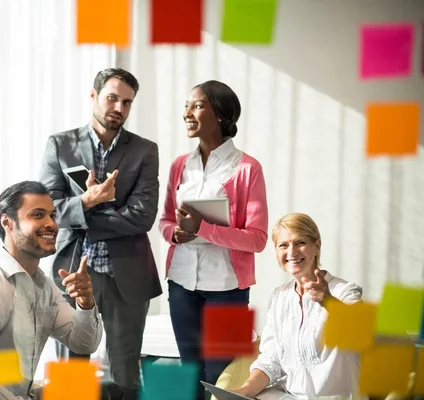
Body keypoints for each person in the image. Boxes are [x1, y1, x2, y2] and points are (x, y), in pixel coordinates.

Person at [39, 68, 162, 399]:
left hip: (128, 275)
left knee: (125, 373)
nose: (119, 108)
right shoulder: (60, 145)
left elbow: (143, 218)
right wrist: (89, 200)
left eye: (127, 102)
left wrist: (81, 212)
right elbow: (50, 214)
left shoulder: (144, 150)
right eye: (112, 98)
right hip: (74, 273)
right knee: (71, 375)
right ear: (93, 96)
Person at [0, 181, 121, 399]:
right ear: (7, 223)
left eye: (53, 216)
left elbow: (84, 343)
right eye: (38, 215)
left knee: (106, 390)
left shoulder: (43, 286)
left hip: (23, 394)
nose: (52, 224)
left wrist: (85, 302)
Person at [158, 80, 269, 400]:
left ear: (220, 114)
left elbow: (258, 239)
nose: (187, 114)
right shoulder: (180, 165)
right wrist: (175, 233)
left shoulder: (248, 169)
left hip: (228, 290)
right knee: (190, 373)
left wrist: (202, 228)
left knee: (221, 378)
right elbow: (165, 220)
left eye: (197, 105)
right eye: (186, 106)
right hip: (180, 284)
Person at [232, 213, 363, 399]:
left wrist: (329, 302)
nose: (291, 252)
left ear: (317, 246)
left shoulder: (344, 291)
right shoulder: (279, 297)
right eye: (283, 245)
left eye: (300, 242)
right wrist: (243, 392)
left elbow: (361, 333)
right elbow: (271, 360)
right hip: (290, 395)